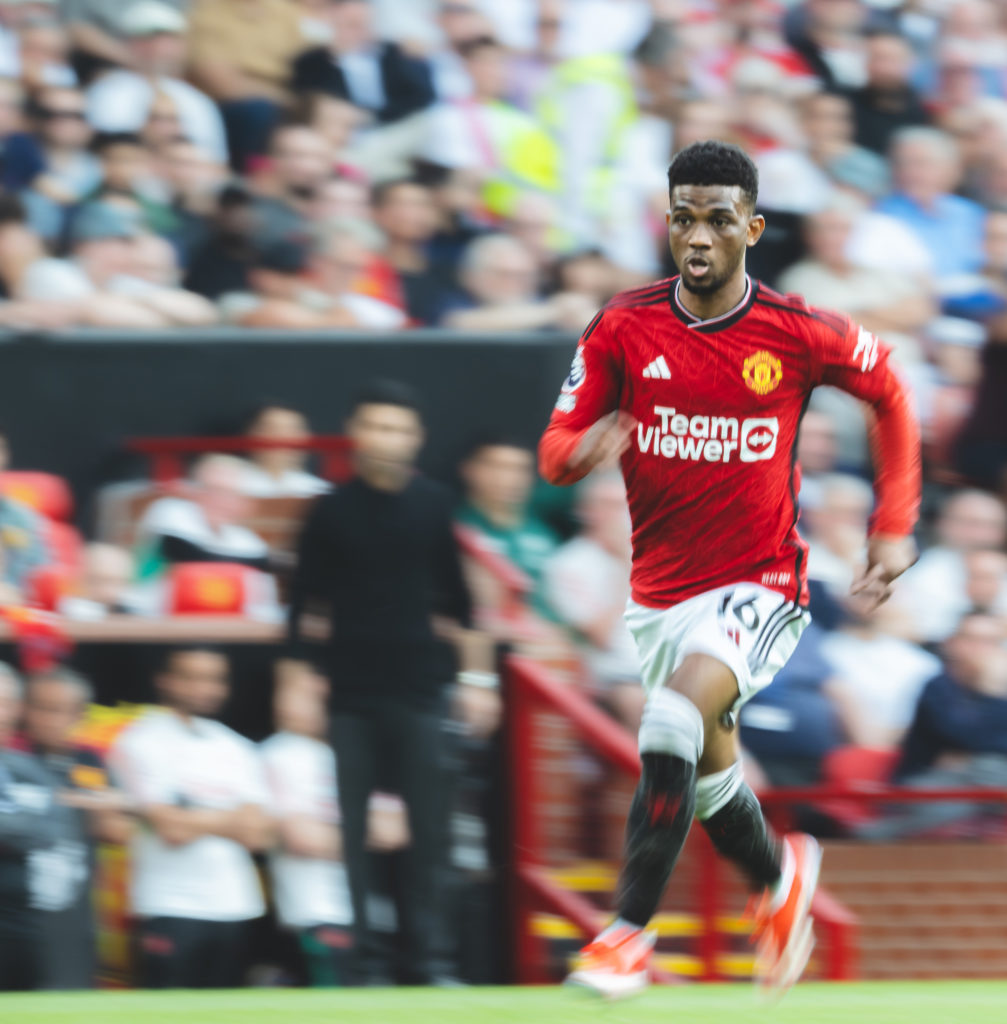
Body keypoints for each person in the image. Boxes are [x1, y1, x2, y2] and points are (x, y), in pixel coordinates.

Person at [538, 140, 920, 998]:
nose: (697, 235)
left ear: (750, 226)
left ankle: (627, 934)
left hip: (761, 585)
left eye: (716, 218)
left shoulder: (794, 331)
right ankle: (780, 882)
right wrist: (581, 454)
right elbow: (553, 447)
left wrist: (890, 527)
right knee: (707, 779)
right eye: (682, 218)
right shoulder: (621, 326)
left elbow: (889, 390)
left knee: (670, 719)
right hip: (658, 598)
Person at [283, 379, 500, 985]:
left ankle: (431, 963)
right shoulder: (329, 510)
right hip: (349, 693)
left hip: (422, 689)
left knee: (432, 836)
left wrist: (480, 680)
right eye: (377, 426)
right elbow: (302, 604)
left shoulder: (433, 505)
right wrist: (297, 677)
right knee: (352, 836)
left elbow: (462, 604)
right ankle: (366, 964)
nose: (388, 439)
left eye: (400, 429)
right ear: (355, 433)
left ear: (417, 439)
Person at [108, 646, 273, 989]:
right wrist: (231, 820)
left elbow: (259, 834)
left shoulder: (238, 747)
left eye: (215, 679)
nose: (205, 688)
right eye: (192, 678)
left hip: (235, 906)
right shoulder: (138, 741)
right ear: (165, 681)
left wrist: (192, 814)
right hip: (169, 905)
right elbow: (171, 829)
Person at [20, 666, 131, 990]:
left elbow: (118, 831)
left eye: (60, 711)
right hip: (14, 909)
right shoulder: (13, 756)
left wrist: (58, 802)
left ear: (79, 715)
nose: (49, 720)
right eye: (40, 708)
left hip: (73, 913)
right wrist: (78, 802)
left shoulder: (89, 763)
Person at [260, 666, 354, 986]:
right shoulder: (279, 752)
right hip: (313, 910)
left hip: (360, 911)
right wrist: (360, 839)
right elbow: (302, 838)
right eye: (311, 695)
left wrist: (336, 838)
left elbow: (398, 830)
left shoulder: (348, 751)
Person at [544, 472, 644, 731]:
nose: (616, 514)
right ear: (585, 510)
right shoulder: (569, 562)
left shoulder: (652, 558)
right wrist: (627, 565)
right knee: (641, 705)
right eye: (606, 505)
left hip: (658, 673)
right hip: (611, 678)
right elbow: (600, 635)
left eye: (621, 505)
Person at [0, 662, 68, 992]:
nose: (2, 713)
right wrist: (19, 826)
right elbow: (30, 827)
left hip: (20, 916)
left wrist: (10, 828)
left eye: (8, 703)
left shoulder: (28, 767)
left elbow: (49, 830)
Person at [240, 403, 331, 499]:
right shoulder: (230, 483)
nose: (287, 438)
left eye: (295, 430)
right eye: (274, 429)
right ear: (250, 434)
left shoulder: (319, 490)